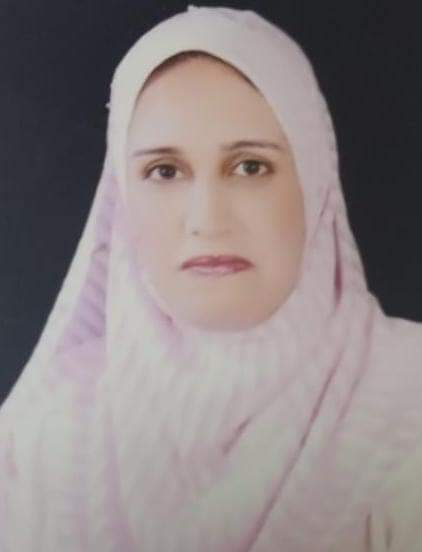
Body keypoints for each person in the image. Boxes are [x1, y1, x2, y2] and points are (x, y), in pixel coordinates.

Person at [1, 5, 422, 551]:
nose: (207, 219)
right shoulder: (45, 433)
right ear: (122, 199)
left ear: (315, 183)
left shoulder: (408, 397)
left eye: (250, 167)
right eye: (165, 171)